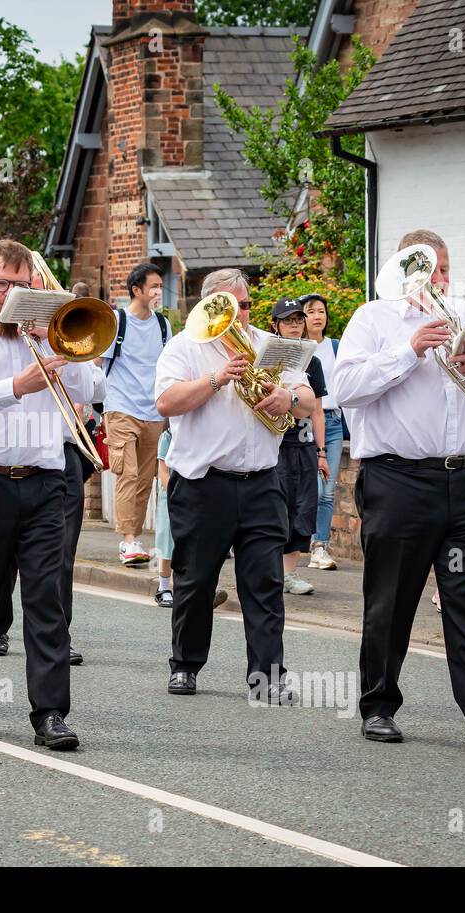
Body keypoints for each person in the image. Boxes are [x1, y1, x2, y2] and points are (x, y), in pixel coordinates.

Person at [335, 228, 465, 751]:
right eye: (427, 270)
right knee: (391, 599)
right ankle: (378, 707)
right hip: (400, 481)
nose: (439, 280)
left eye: (444, 269)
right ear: (402, 271)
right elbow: (344, 388)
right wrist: (408, 350)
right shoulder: (374, 319)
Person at [0, 238, 101, 748]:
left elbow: (94, 387)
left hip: (46, 482)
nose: (10, 294)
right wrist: (16, 385)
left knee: (46, 601)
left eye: (22, 285)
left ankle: (50, 713)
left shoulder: (49, 334)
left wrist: (57, 346)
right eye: (2, 284)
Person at [156, 268, 316, 701]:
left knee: (264, 583)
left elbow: (308, 401)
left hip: (262, 481)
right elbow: (166, 402)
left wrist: (288, 399)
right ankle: (185, 665)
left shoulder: (271, 345)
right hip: (202, 484)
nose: (243, 314)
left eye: (246, 305)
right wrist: (217, 378)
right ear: (213, 307)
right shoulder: (185, 347)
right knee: (195, 580)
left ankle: (267, 677)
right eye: (233, 306)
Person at [101, 263, 168, 566]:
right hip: (120, 407)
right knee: (126, 473)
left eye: (160, 286)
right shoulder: (116, 321)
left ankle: (134, 537)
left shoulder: (164, 325)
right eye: (153, 286)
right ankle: (127, 540)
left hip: (153, 410)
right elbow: (96, 363)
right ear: (136, 290)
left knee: (145, 478)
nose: (158, 292)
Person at [272, 299, 326, 596]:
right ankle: (272, 572)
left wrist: (321, 452)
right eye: (287, 320)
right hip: (276, 447)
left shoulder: (313, 361)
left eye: (298, 319)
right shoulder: (267, 357)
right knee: (276, 509)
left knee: (303, 510)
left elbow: (317, 411)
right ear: (275, 325)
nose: (294, 325)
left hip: (304, 447)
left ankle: (288, 574)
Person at [301, 293, 345, 571]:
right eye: (311, 311)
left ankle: (320, 546)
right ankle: (301, 541)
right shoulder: (300, 349)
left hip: (334, 421)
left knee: (328, 492)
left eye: (321, 311)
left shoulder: (337, 347)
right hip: (306, 422)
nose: (318, 316)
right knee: (314, 490)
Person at [154, 427, 174, 607]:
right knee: (167, 543)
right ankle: (164, 587)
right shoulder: (167, 436)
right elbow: (163, 472)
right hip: (172, 498)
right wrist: (176, 495)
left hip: (196, 497)